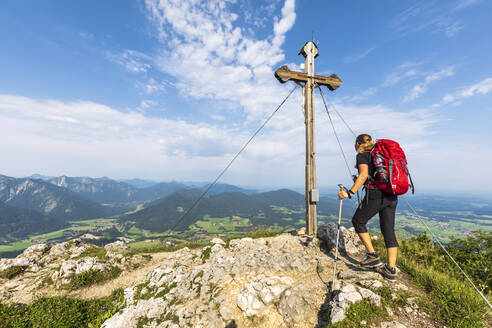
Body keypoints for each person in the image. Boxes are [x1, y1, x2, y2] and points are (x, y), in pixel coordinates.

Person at [338, 134, 399, 282]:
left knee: (358, 221)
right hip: (391, 195)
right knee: (388, 230)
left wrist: (349, 193)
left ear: (358, 143)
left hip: (376, 195)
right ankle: (391, 269)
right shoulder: (381, 155)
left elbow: (364, 174)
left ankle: (372, 256)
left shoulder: (363, 155)